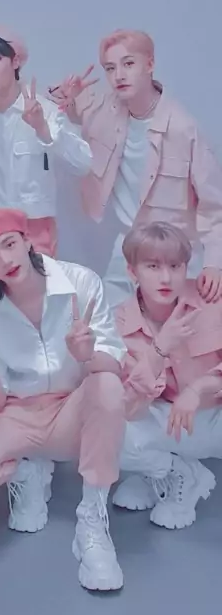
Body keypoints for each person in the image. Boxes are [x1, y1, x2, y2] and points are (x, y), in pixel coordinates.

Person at [0, 208, 127, 592]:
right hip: (18, 416)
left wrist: (85, 355)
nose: (5, 260)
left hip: (71, 412)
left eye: (9, 245)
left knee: (108, 386)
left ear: (27, 240)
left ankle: (92, 520)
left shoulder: (81, 282)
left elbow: (114, 364)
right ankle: (28, 471)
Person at [48, 29, 222, 306]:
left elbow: (214, 206)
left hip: (173, 255)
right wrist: (64, 96)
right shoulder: (104, 108)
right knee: (104, 320)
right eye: (110, 68)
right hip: (126, 250)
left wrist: (214, 264)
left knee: (178, 327)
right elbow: (71, 109)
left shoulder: (184, 129)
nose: (119, 75)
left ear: (150, 64)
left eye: (128, 64)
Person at [113, 221, 222, 529]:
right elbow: (129, 406)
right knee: (106, 430)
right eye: (153, 266)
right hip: (169, 422)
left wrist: (199, 388)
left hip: (215, 418)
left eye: (175, 266)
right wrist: (161, 347)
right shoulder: (121, 321)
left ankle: (157, 474)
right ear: (132, 271)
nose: (166, 277)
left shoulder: (212, 301)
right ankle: (175, 473)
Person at [0, 27, 92, 258]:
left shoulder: (46, 110)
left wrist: (42, 129)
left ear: (15, 61)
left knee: (38, 281)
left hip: (34, 227)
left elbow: (83, 163)